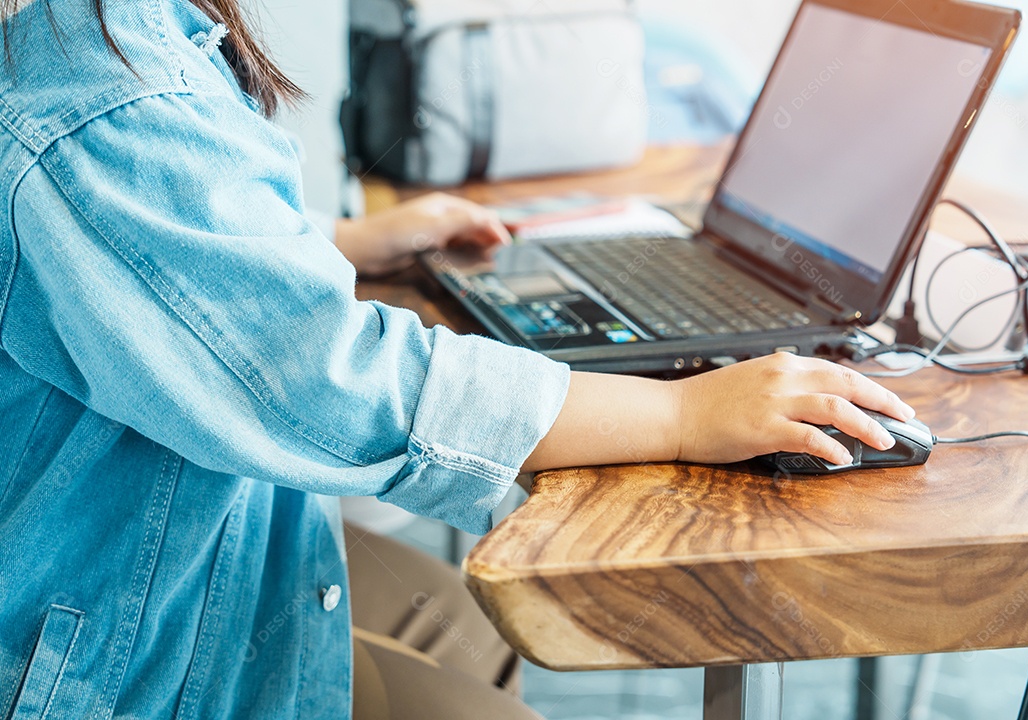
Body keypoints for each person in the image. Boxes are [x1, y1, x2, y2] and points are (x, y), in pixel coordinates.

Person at [0, 1, 915, 718]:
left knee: (475, 636)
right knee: (483, 651)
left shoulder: (97, 43)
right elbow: (329, 381)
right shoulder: (101, 95)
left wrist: (336, 240)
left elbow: (156, 236)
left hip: (173, 563)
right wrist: (683, 414)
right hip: (103, 665)